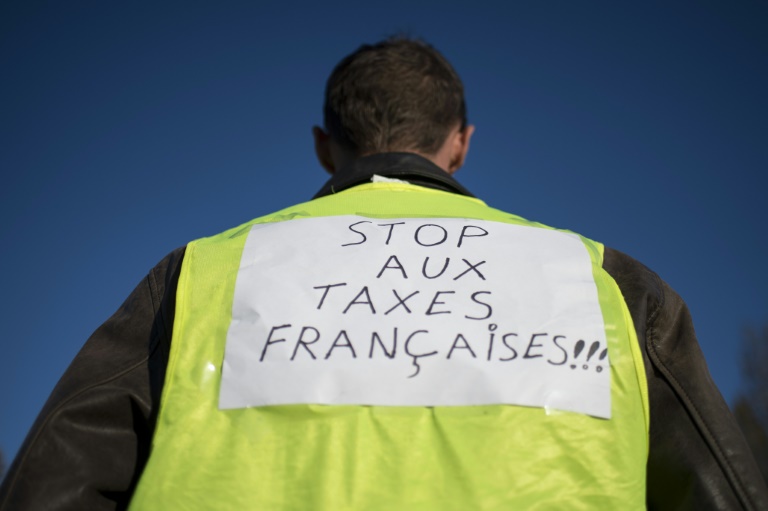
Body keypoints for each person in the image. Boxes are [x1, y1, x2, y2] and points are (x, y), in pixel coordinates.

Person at [1, 37, 766, 511]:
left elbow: (52, 484)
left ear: (324, 146)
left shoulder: (201, 273)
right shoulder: (613, 284)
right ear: (461, 143)